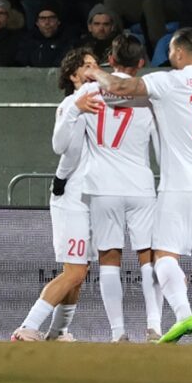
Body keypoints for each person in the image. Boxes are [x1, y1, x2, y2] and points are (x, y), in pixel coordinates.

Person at [80, 27, 192, 345]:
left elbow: (123, 88)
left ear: (179, 52)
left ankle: (182, 315)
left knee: (164, 256)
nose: (168, 56)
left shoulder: (167, 82)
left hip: (180, 185)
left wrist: (96, 71)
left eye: (170, 51)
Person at [75, 34, 163, 343]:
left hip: (102, 186)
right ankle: (155, 326)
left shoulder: (88, 90)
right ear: (142, 63)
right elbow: (160, 150)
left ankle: (118, 333)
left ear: (110, 61)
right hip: (140, 185)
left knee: (109, 257)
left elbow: (72, 140)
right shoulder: (149, 97)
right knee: (148, 257)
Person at [11, 47, 101, 342]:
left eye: (96, 64)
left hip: (89, 199)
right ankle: (27, 327)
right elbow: (62, 146)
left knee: (79, 271)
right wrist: (62, 179)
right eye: (87, 65)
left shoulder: (99, 107)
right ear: (73, 76)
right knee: (74, 271)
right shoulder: (69, 105)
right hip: (73, 198)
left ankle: (58, 332)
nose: (94, 68)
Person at [16, 1, 77, 67]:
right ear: (37, 23)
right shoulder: (27, 41)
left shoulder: (68, 41)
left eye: (51, 18)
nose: (47, 22)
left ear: (58, 21)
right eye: (42, 19)